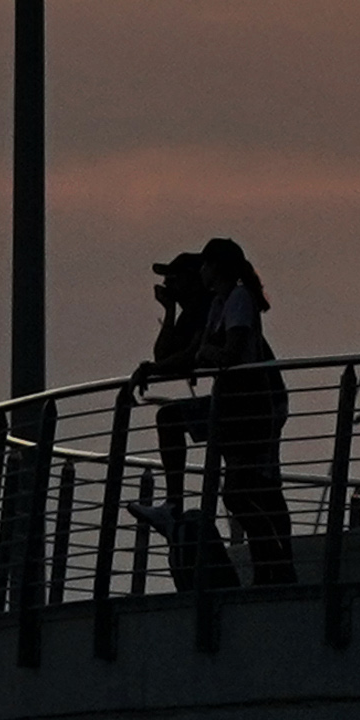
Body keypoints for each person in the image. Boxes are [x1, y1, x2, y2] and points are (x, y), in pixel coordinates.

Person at [140, 235, 292, 587]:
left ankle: (278, 568)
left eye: (175, 278)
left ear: (211, 269)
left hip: (253, 403)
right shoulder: (216, 305)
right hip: (233, 404)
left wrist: (208, 353)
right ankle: (273, 568)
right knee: (249, 491)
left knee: (250, 491)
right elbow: (181, 356)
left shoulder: (234, 301)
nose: (167, 286)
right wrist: (156, 365)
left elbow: (228, 353)